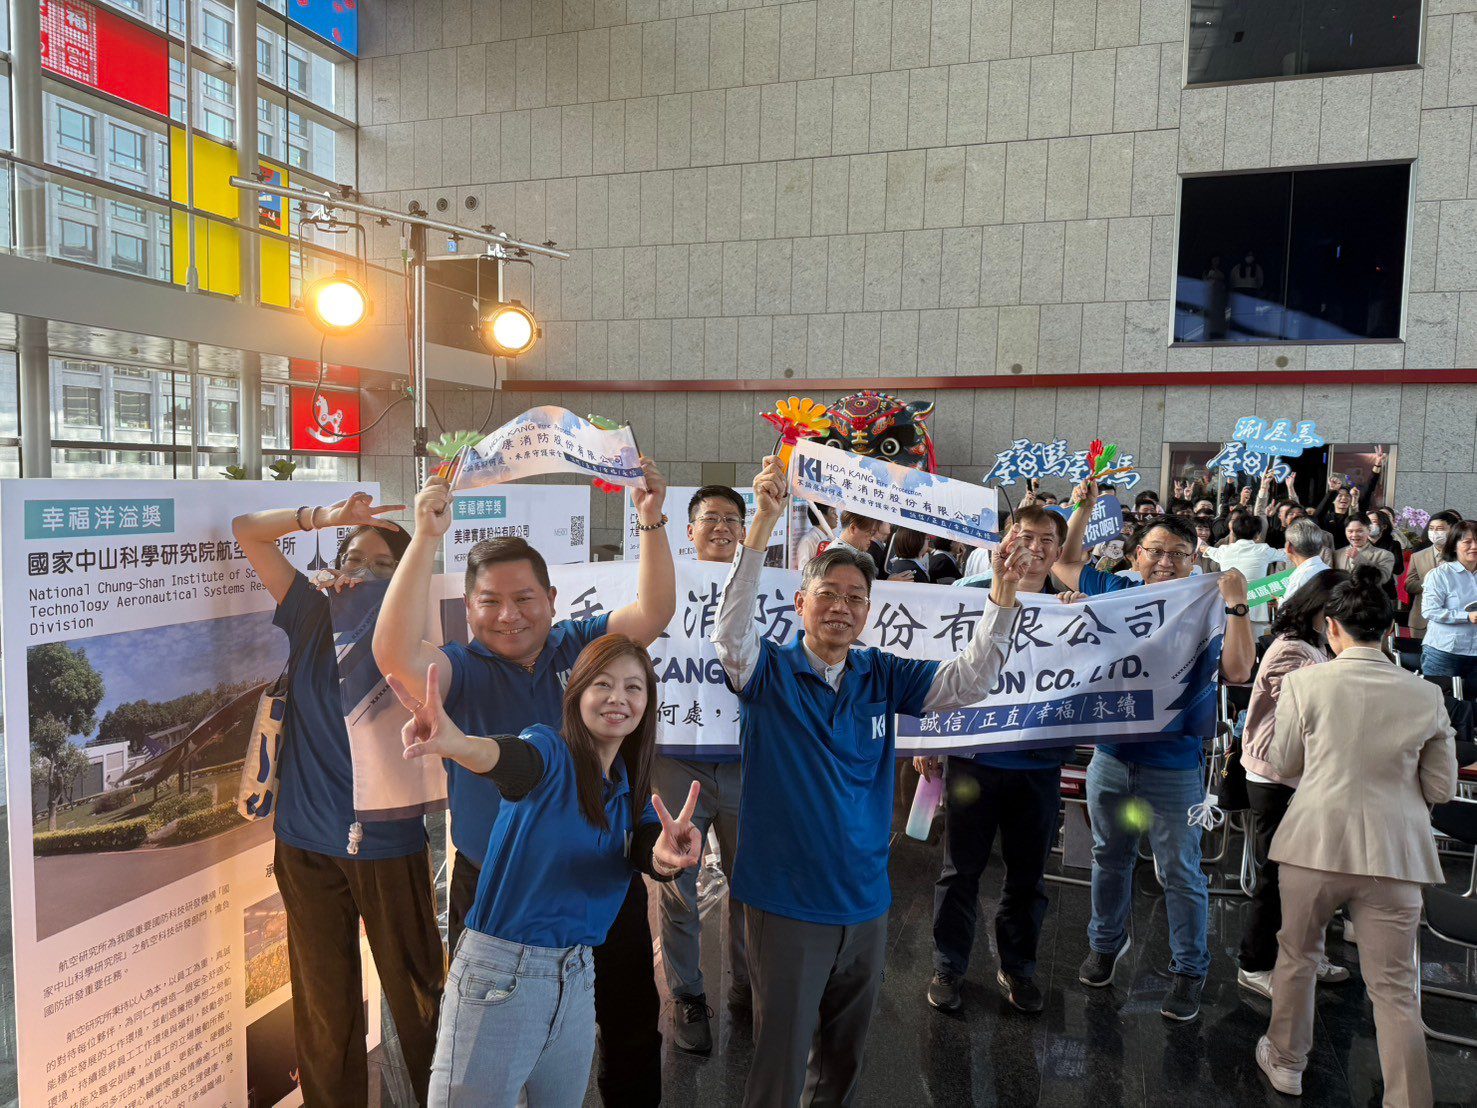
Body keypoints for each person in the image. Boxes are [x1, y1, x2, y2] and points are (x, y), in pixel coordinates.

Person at [714, 455, 1027, 1107]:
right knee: (778, 1060)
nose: (840, 607)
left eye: (855, 599)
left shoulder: (879, 674)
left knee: (844, 1058)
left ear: (868, 612)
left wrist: (1001, 598)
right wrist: (759, 529)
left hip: (863, 901)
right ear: (800, 603)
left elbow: (967, 682)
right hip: (785, 901)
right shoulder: (767, 672)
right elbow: (730, 636)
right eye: (826, 594)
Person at [373, 465, 675, 1107]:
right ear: (469, 607)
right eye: (489, 602)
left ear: (552, 599)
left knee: (627, 1023)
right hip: (498, 883)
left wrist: (648, 516)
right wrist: (426, 539)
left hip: (601, 874)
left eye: (524, 598)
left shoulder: (583, 647)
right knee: (487, 1046)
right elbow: (394, 652)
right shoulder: (459, 666)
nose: (508, 616)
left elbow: (653, 611)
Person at [398, 638, 704, 1105]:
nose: (618, 697)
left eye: (633, 687)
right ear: (577, 692)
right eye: (603, 683)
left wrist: (668, 856)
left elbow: (649, 850)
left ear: (647, 703)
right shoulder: (548, 750)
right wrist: (457, 745)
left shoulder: (628, 785)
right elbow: (509, 761)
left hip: (579, 977)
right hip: (500, 975)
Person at [232, 494, 444, 1107]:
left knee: (420, 1002)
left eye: (382, 564)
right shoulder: (309, 613)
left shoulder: (414, 635)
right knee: (325, 1018)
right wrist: (325, 520)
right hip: (305, 843)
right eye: (355, 556)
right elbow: (248, 529)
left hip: (389, 842)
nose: (361, 569)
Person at [1053, 481, 1254, 1022]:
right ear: (1135, 555)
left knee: (1181, 873)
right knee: (1107, 859)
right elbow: (1065, 564)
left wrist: (1237, 602)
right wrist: (1083, 508)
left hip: (1175, 769)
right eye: (1155, 552)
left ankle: (1190, 969)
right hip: (1111, 759)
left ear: (1195, 559)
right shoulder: (1115, 590)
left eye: (1178, 554)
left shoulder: (1211, 603)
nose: (1164, 562)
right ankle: (1104, 945)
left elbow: (1238, 671)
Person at [1254, 567, 1457, 1102]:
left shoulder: (1304, 683)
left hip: (1314, 842)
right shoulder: (1426, 694)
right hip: (1396, 855)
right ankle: (1408, 1098)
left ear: (1332, 628)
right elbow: (1439, 787)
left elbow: (1285, 761)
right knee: (1394, 988)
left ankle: (1287, 1061)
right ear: (1388, 630)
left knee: (1297, 956)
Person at [915, 505, 1080, 1015]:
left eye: (1046, 538)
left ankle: (1020, 967)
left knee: (1028, 877)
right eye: (1024, 534)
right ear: (1007, 540)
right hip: (974, 759)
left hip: (1038, 765)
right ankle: (949, 966)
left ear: (1059, 549)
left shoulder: (1073, 607)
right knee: (959, 871)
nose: (1034, 546)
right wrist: (927, 739)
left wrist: (1083, 619)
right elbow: (936, 672)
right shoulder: (967, 598)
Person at [657, 486, 753, 1054]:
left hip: (745, 763)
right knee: (678, 888)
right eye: (709, 519)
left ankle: (745, 983)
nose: (721, 527)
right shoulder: (664, 589)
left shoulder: (771, 589)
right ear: (688, 531)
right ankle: (688, 994)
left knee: (749, 881)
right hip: (675, 761)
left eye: (732, 519)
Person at [1234, 571, 1352, 1000]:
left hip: (1304, 775)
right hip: (1275, 774)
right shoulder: (1291, 649)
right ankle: (1255, 962)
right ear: (1320, 607)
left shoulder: (1320, 644)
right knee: (1276, 875)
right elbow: (1300, 710)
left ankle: (1303, 952)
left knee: (1306, 876)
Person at [1199, 512, 1286, 634]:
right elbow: (1286, 554)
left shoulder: (1224, 551)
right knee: (1253, 647)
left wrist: (1201, 546)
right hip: (1256, 608)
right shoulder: (1263, 550)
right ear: (1257, 534)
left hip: (1228, 607)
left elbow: (1205, 549)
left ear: (1233, 532)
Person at [1419, 518, 1477, 692]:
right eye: (1467, 542)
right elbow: (1430, 611)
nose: (1474, 546)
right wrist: (1467, 616)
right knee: (1440, 705)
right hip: (1444, 652)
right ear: (1453, 545)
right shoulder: (1439, 575)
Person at [1406, 510, 1462, 638]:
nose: (1435, 532)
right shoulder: (1418, 556)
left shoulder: (1462, 556)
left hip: (1454, 619)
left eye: (1440, 529)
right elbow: (1409, 586)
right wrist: (1428, 580)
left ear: (1452, 530)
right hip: (1421, 621)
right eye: (1431, 528)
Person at [1334, 518, 1396, 594]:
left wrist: (1359, 558)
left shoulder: (1385, 555)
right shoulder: (1336, 554)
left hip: (1369, 602)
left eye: (1359, 531)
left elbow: (1382, 579)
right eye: (1350, 531)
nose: (1354, 535)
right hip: (1341, 602)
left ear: (1369, 530)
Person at [1281, 517, 1330, 601]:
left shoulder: (1299, 580)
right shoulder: (1329, 571)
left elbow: (1288, 612)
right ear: (1320, 546)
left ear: (1288, 547)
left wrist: (1281, 603)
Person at [794, 502, 837, 568]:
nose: (837, 516)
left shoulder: (832, 539)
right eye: (833, 512)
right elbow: (803, 571)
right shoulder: (808, 541)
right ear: (820, 515)